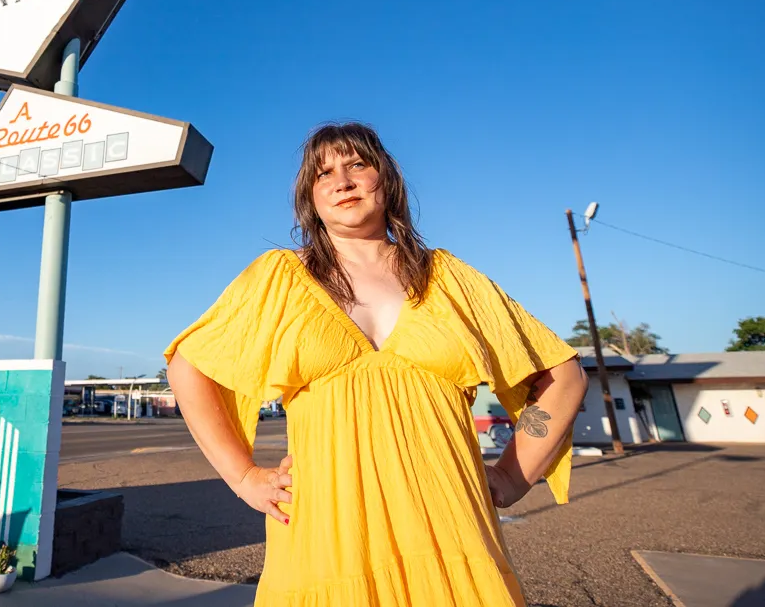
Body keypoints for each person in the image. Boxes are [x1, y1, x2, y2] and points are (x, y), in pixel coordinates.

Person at [165, 123, 588, 606]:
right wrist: (243, 476)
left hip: (451, 535)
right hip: (325, 538)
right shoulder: (278, 278)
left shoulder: (450, 278)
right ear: (311, 198)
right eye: (323, 174)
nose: (342, 181)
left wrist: (512, 475)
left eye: (357, 165)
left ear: (386, 179)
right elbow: (189, 365)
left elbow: (562, 377)